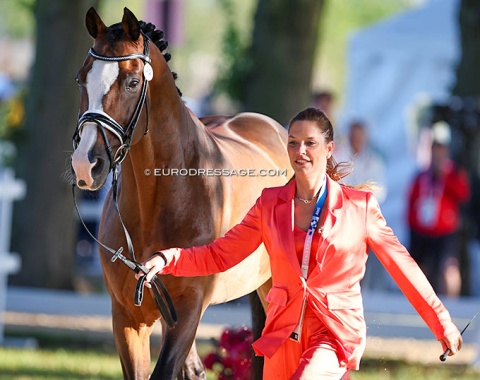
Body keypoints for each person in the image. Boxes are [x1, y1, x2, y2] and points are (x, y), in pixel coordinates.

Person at [137, 108, 462, 379]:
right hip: (282, 333)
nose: (300, 151)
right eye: (293, 143)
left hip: (333, 330)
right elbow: (221, 254)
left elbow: (402, 267)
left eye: (310, 143)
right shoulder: (270, 203)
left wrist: (442, 323)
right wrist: (168, 259)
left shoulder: (360, 207)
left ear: (330, 148)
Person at [407, 121, 470, 297]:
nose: (438, 153)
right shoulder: (421, 175)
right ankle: (419, 302)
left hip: (445, 231)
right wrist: (413, 227)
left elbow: (464, 195)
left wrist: (446, 177)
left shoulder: (454, 173)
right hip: (422, 230)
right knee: (418, 268)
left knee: (448, 267)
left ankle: (452, 304)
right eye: (435, 148)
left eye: (441, 148)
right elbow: (412, 202)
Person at [334, 120, 388, 291]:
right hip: (343, 214)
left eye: (359, 137)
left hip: (364, 214)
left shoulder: (374, 161)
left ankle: (365, 288)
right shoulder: (339, 157)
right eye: (353, 137)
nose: (356, 140)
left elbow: (380, 189)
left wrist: (359, 195)